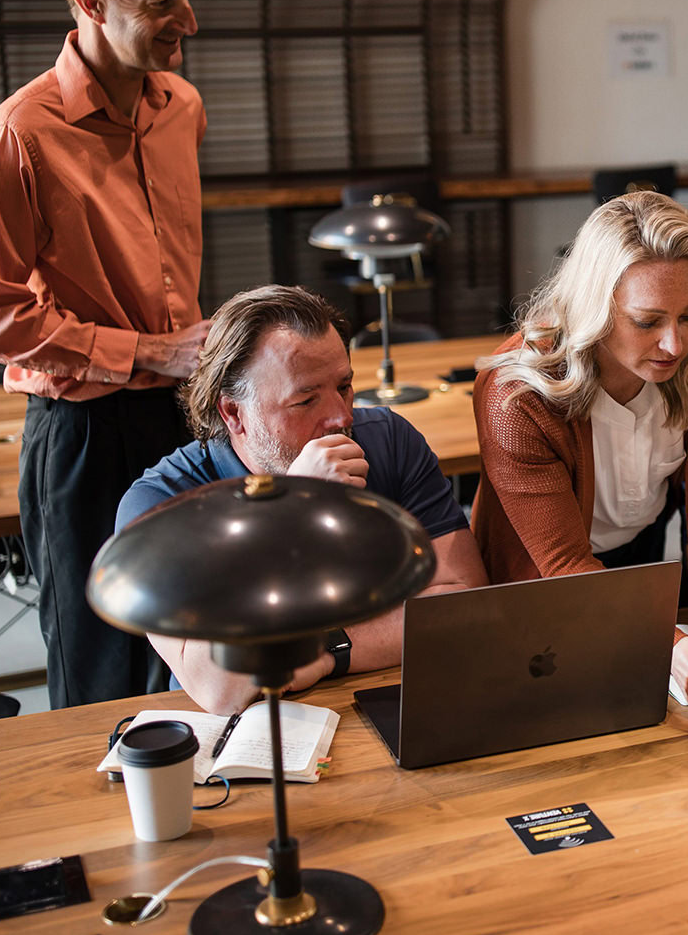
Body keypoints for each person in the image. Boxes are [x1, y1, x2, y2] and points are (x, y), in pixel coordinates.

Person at [0, 0, 210, 708]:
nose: (188, 22)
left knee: (198, 653)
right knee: (101, 673)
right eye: (162, 3)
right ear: (90, 2)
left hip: (183, 414)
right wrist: (146, 351)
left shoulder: (184, 109)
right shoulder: (19, 135)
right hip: (85, 433)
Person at [471, 192, 688, 725]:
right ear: (595, 307)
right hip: (538, 584)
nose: (674, 344)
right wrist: (678, 648)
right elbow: (565, 567)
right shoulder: (515, 396)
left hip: (635, 568)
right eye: (647, 321)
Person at [116, 285, 488, 715]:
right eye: (305, 400)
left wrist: (326, 651)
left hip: (389, 696)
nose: (341, 416)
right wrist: (290, 512)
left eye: (344, 386)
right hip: (254, 736)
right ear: (233, 413)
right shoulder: (162, 503)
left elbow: (466, 608)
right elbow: (219, 686)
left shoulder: (388, 441)